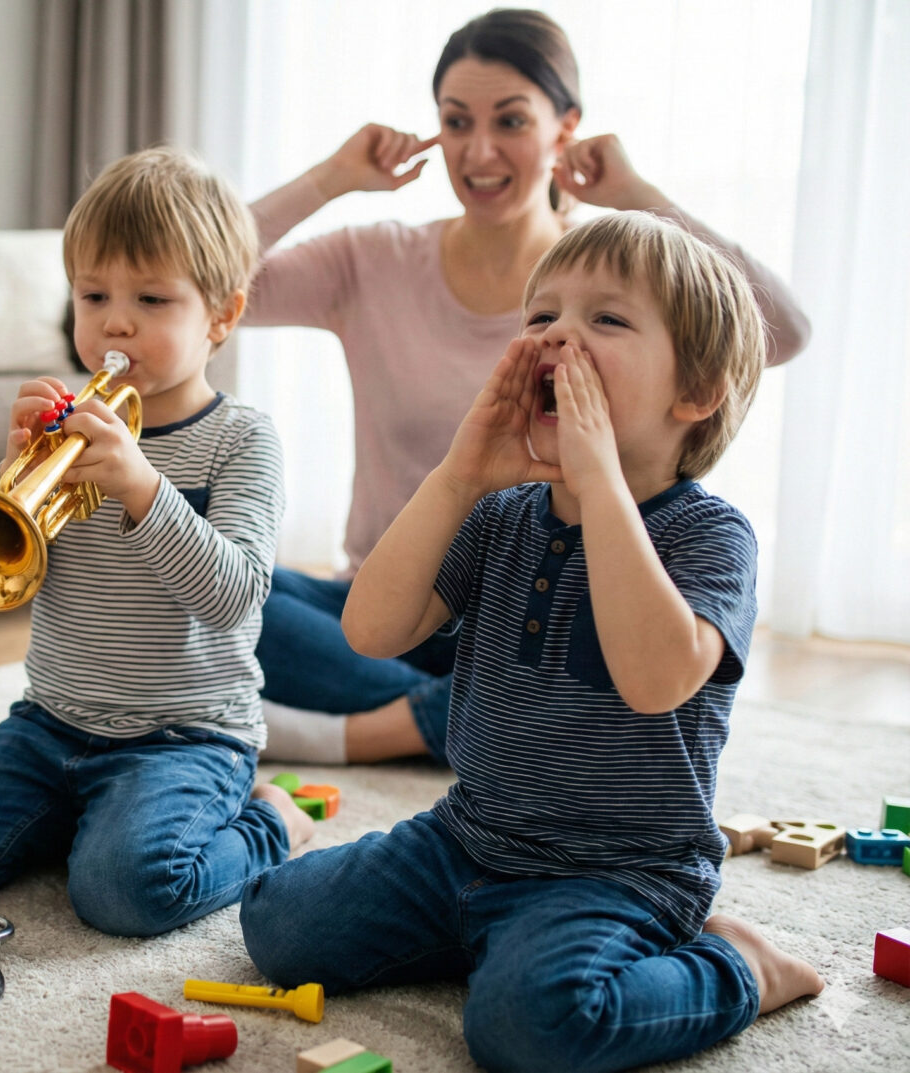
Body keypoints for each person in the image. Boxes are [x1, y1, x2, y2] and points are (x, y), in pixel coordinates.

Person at [239, 212, 823, 1073]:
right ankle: (488, 937)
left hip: (621, 872)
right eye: (542, 315)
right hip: (467, 838)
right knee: (276, 924)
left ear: (695, 392)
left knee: (529, 1027)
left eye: (606, 319)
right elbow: (372, 629)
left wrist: (598, 480)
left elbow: (656, 678)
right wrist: (459, 474)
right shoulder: (502, 513)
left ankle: (741, 965)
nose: (557, 336)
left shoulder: (710, 535)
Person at [245, 7, 811, 766]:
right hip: (409, 596)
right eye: (456, 121)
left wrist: (639, 196)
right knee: (210, 576)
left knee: (564, 665)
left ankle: (401, 726)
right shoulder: (373, 261)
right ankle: (463, 714)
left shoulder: (624, 279)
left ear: (564, 130)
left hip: (555, 607)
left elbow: (776, 329)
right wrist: (332, 178)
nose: (478, 151)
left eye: (510, 121)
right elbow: (194, 289)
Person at [0, 147, 314, 938]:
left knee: (123, 891)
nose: (115, 320)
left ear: (222, 316)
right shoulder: (64, 431)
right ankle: (82, 815)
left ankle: (271, 819)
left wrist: (143, 486)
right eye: (93, 294)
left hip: (185, 736)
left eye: (152, 298)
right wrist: (16, 476)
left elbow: (235, 595)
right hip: (49, 721)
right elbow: (16, 575)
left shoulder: (243, 440)